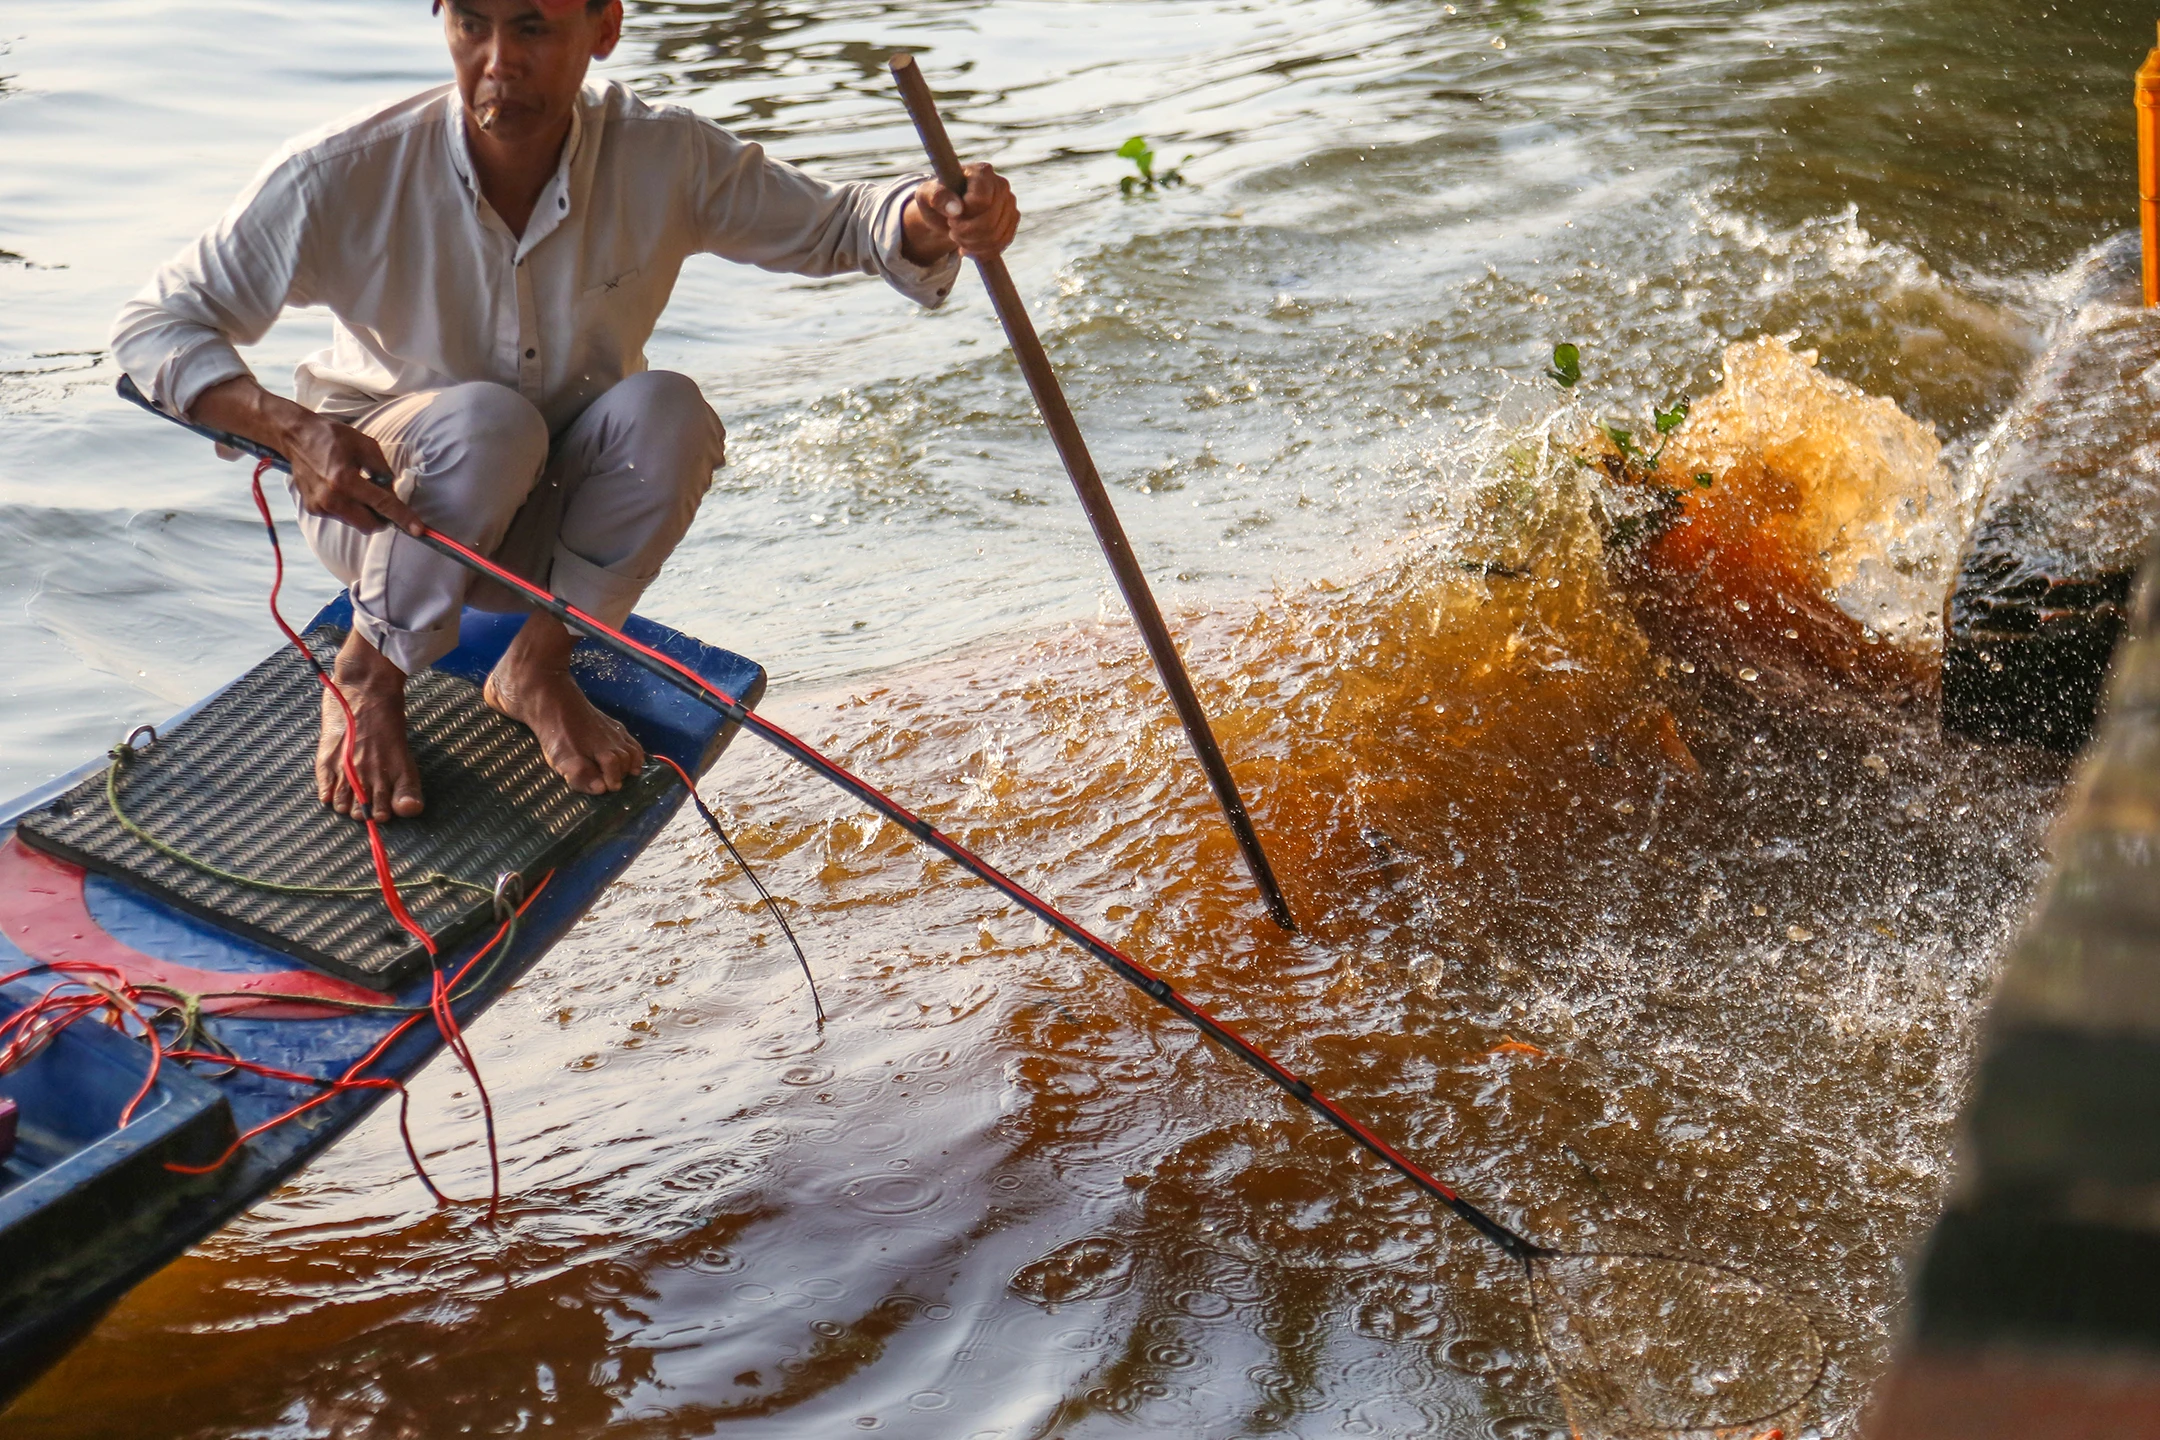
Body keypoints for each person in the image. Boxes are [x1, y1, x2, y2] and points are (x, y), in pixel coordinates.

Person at [111, 0, 1018, 820]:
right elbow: (154, 325)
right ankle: (365, 675)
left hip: (547, 523)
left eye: (534, 27)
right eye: (472, 24)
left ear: (604, 30)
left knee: (671, 413)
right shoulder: (347, 170)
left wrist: (934, 215)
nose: (498, 60)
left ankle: (539, 665)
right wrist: (297, 432)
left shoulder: (662, 153)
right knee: (488, 425)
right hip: (386, 513)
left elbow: (842, 224)